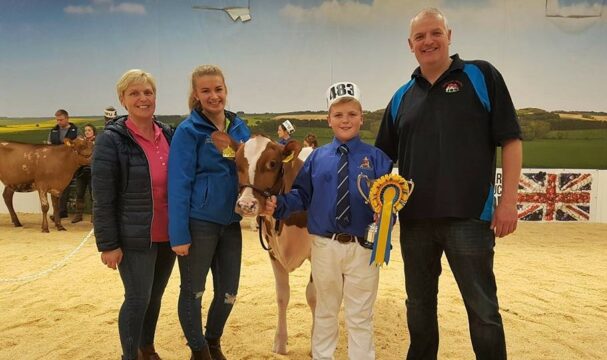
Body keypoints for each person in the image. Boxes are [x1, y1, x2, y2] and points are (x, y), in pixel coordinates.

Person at [375, 8, 522, 360]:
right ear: (410, 45)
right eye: (420, 37)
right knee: (419, 307)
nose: (428, 41)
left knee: (483, 311)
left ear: (449, 35)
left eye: (435, 33)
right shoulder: (400, 97)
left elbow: (512, 140)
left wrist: (508, 202)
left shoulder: (481, 75)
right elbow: (381, 161)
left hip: (469, 217)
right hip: (415, 223)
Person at [264, 81, 393, 360]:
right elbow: (301, 196)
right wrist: (279, 205)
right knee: (325, 311)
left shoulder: (379, 159)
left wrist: (385, 224)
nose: (345, 120)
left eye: (351, 114)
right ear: (328, 119)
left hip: (364, 247)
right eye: (338, 115)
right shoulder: (317, 158)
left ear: (362, 116)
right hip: (325, 246)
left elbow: (389, 205)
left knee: (360, 316)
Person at [168, 64, 250, 360]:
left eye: (218, 89)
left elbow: (249, 173)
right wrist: (178, 234)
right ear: (196, 95)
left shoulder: (239, 127)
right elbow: (178, 184)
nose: (214, 96)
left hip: (231, 222)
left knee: (229, 291)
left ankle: (213, 341)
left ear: (225, 90)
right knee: (193, 291)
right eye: (206, 91)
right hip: (198, 223)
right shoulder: (188, 131)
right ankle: (199, 351)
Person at [93, 69, 176, 360]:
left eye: (148, 92)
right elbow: (103, 198)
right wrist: (108, 244)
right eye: (135, 93)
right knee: (138, 298)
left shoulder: (168, 133)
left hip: (168, 235)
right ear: (123, 99)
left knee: (154, 297)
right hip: (134, 237)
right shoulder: (111, 141)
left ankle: (146, 348)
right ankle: (129, 356)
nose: (143, 98)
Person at [48, 109, 78, 219]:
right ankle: (59, 211)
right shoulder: (53, 131)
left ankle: (63, 211)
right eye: (57, 120)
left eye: (61, 119)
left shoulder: (76, 131)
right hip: (56, 164)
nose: (59, 122)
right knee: (55, 188)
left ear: (67, 118)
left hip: (69, 164)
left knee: (65, 187)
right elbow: (50, 145)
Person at [71, 123, 97, 223]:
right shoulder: (81, 143)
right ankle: (78, 215)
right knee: (79, 193)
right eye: (86, 130)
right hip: (81, 172)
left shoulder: (97, 142)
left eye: (89, 130)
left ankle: (94, 215)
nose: (87, 132)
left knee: (93, 194)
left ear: (94, 132)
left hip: (93, 173)